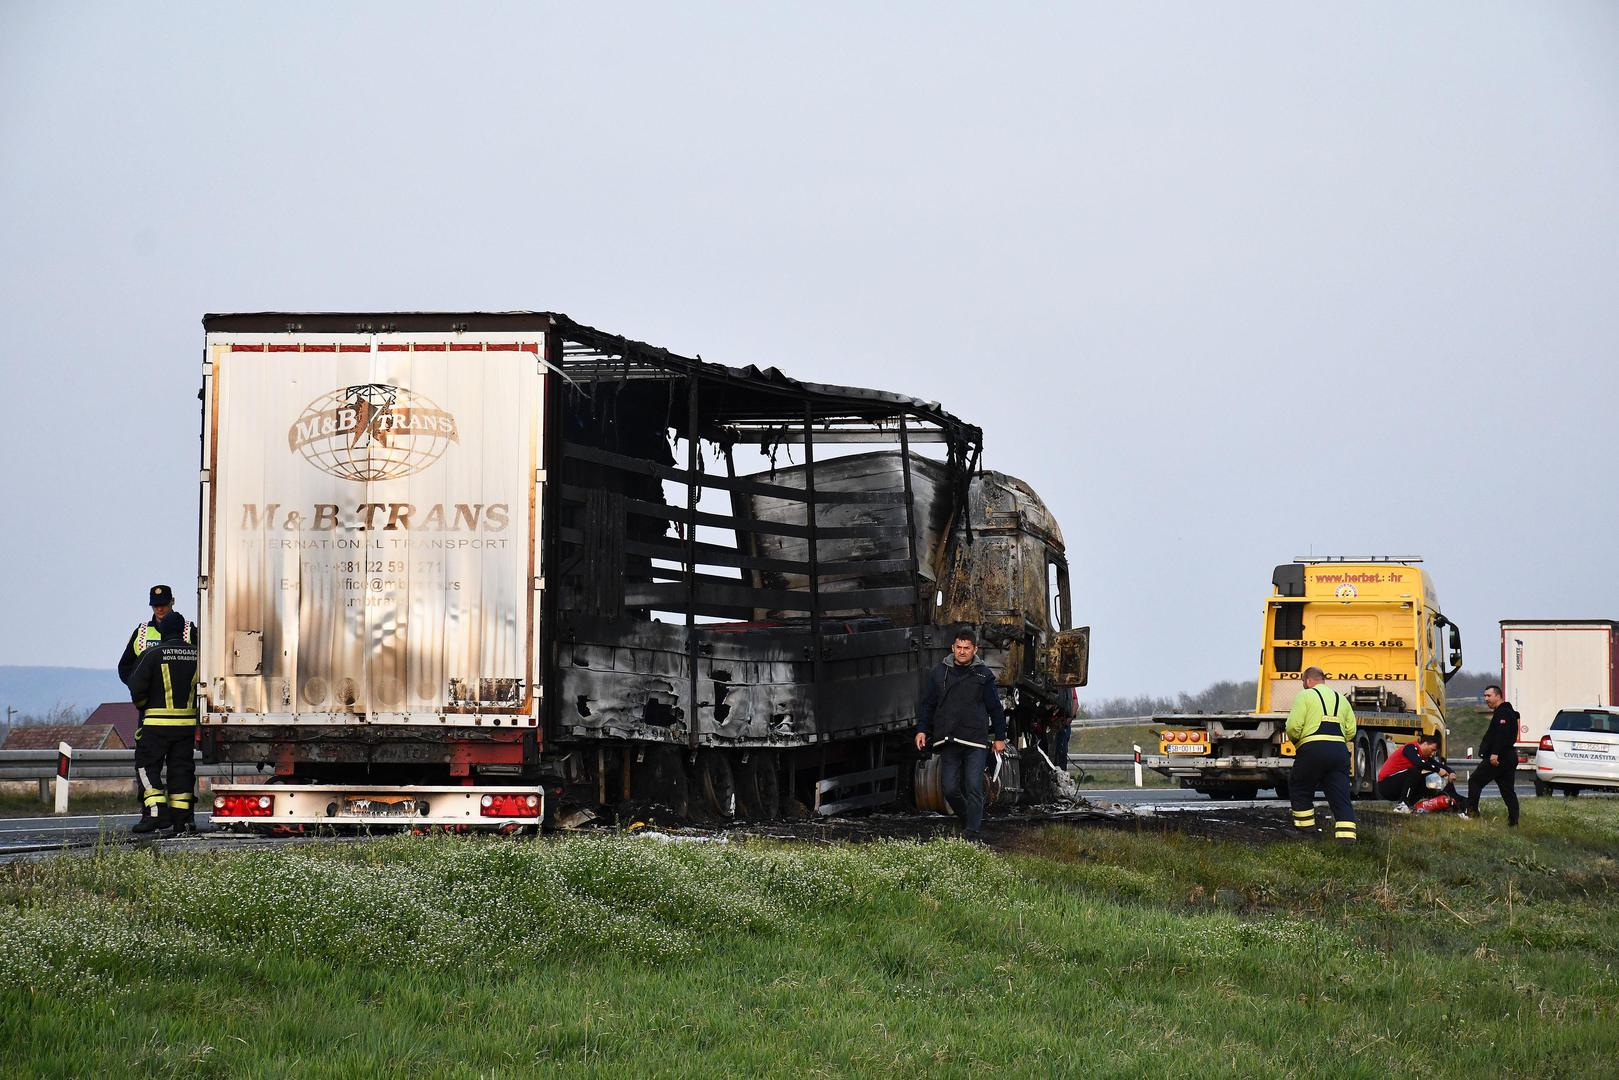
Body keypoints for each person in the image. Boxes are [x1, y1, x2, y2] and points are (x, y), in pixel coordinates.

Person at [916, 627, 1007, 842]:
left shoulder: (983, 675)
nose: (962, 651)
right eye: (959, 647)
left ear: (975, 649)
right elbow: (928, 704)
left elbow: (995, 708)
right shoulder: (940, 673)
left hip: (975, 740)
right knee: (949, 788)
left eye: (967, 648)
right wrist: (921, 730)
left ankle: (972, 834)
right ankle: (969, 819)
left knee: (974, 787)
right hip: (949, 739)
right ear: (952, 648)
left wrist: (1000, 737)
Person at [127, 611, 200, 835]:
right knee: (181, 771)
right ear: (182, 631)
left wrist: (143, 705)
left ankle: (157, 814)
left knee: (147, 767)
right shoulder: (198, 655)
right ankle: (182, 820)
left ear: (163, 631)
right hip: (186, 726)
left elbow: (135, 685)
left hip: (156, 725)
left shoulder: (152, 654)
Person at [1284, 666, 1358, 844]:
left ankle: (1305, 831)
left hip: (1312, 750)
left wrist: (1298, 742)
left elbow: (1293, 726)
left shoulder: (1305, 696)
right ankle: (1347, 840)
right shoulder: (1342, 699)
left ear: (1308, 680)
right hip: (1339, 751)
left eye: (1303, 682)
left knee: (1300, 786)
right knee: (1340, 794)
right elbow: (1351, 730)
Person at [117, 584, 196, 686]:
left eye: (163, 604)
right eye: (155, 605)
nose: (159, 609)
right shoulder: (141, 633)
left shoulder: (189, 630)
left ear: (172, 601)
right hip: (151, 699)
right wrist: (138, 688)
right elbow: (125, 667)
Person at [1466, 684, 1521, 827]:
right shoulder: (1507, 711)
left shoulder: (1503, 713)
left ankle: (1472, 814)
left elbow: (1501, 735)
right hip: (1509, 756)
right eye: (1484, 696)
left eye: (1489, 696)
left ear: (1498, 696)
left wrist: (1494, 754)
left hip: (1499, 757)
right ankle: (1513, 822)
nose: (1486, 699)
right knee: (1507, 790)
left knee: (1475, 781)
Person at [1376, 732, 1465, 816]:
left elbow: (1438, 765)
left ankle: (1415, 805)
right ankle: (1402, 804)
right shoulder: (1410, 747)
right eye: (1432, 750)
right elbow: (1419, 763)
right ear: (1425, 744)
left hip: (1397, 784)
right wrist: (1438, 770)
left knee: (1429, 779)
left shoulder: (1424, 757)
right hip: (1385, 785)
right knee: (1415, 770)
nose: (1433, 753)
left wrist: (1451, 772)